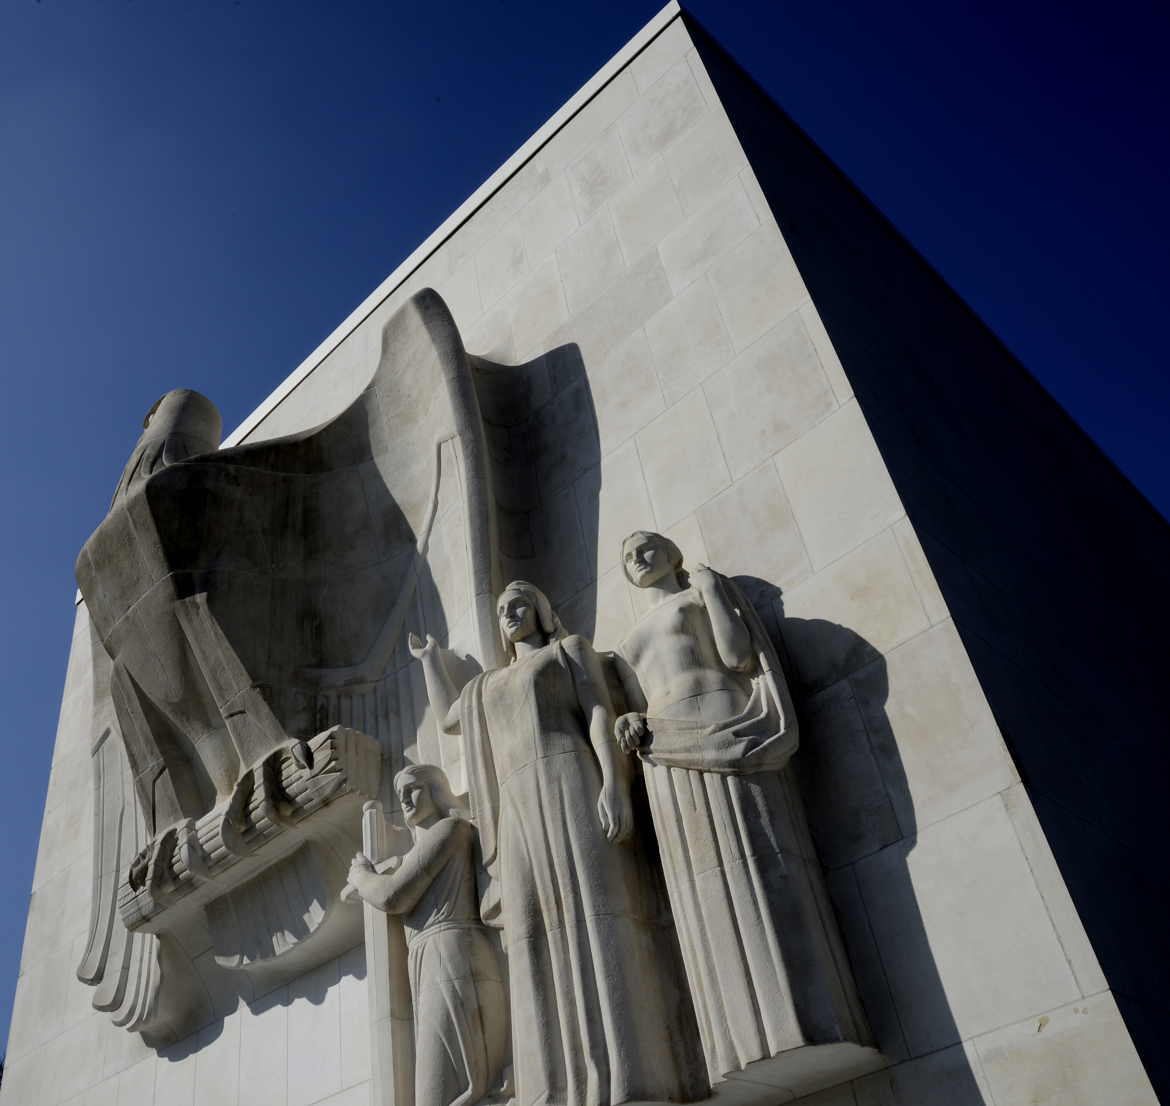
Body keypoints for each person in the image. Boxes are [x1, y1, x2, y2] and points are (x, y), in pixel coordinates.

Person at [408, 580, 707, 1106]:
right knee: (531, 930)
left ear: (543, 610)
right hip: (515, 805)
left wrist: (614, 783)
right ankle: (557, 1084)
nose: (509, 614)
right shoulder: (487, 685)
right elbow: (451, 719)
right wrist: (431, 660)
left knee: (598, 911)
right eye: (501, 610)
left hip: (571, 779)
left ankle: (632, 1074)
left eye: (519, 604)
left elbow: (597, 712)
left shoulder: (567, 651)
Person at [615, 530, 856, 1079]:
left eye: (647, 546)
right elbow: (633, 701)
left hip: (725, 722)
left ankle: (804, 1018)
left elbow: (738, 655)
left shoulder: (701, 593)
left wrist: (714, 592)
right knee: (701, 883)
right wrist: (629, 719)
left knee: (761, 856)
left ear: (672, 552)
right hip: (664, 746)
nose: (637, 558)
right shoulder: (629, 636)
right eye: (628, 557)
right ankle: (739, 1037)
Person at [347, 764, 508, 1106]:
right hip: (432, 959)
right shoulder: (421, 849)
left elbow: (393, 895)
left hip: (450, 954)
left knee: (437, 1093)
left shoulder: (450, 829)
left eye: (414, 788)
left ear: (436, 791)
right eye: (400, 792)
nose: (404, 797)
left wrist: (362, 877)